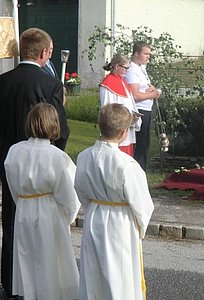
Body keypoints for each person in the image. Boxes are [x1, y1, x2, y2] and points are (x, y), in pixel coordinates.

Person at [0, 27, 69, 300]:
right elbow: (61, 130)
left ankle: (9, 282)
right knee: (40, 227)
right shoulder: (50, 84)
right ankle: (40, 283)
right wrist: (52, 157)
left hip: (7, 162)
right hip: (42, 165)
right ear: (44, 53)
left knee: (11, 222)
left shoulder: (2, 81)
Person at [75, 103, 154, 299]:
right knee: (120, 274)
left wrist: (93, 207)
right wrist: (140, 226)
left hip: (95, 216)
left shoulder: (84, 157)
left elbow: (80, 188)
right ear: (123, 133)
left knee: (94, 271)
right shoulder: (127, 165)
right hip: (120, 222)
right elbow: (142, 203)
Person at [4, 103, 80, 299]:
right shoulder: (57, 157)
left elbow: (12, 184)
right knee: (49, 261)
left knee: (28, 257)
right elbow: (68, 194)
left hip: (24, 208)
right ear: (54, 125)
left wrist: (23, 202)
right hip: (49, 211)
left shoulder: (14, 151)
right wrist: (69, 217)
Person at [125, 41, 161, 171]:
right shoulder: (132, 70)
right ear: (136, 54)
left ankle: (141, 171)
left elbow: (146, 88)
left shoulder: (141, 69)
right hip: (139, 110)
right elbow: (135, 94)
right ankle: (137, 172)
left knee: (145, 144)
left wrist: (153, 90)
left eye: (149, 54)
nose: (148, 57)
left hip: (147, 109)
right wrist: (153, 95)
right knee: (140, 145)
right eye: (145, 54)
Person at [100, 54, 142, 156]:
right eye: (125, 68)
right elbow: (107, 110)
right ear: (117, 67)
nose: (127, 71)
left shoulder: (123, 82)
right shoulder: (108, 84)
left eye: (128, 68)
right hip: (116, 131)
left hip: (127, 129)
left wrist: (134, 117)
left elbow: (130, 104)